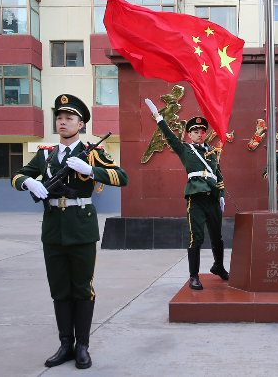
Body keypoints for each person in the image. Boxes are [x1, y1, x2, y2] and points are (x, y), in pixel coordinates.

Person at [12, 94, 128, 369]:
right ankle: (66, 344)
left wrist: (91, 170)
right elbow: (16, 175)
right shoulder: (45, 155)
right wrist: (28, 182)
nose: (62, 122)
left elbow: (121, 177)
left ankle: (83, 346)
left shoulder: (93, 152)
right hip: (53, 229)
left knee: (82, 288)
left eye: (69, 118)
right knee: (59, 289)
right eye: (59, 118)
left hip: (81, 227)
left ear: (81, 124)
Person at [144, 98, 228, 291]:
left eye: (202, 131)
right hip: (196, 198)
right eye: (195, 131)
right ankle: (193, 276)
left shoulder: (213, 153)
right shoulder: (185, 149)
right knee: (196, 237)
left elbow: (218, 174)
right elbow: (170, 137)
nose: (200, 134)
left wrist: (221, 194)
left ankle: (219, 266)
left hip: (213, 199)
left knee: (217, 237)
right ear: (189, 134)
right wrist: (158, 117)